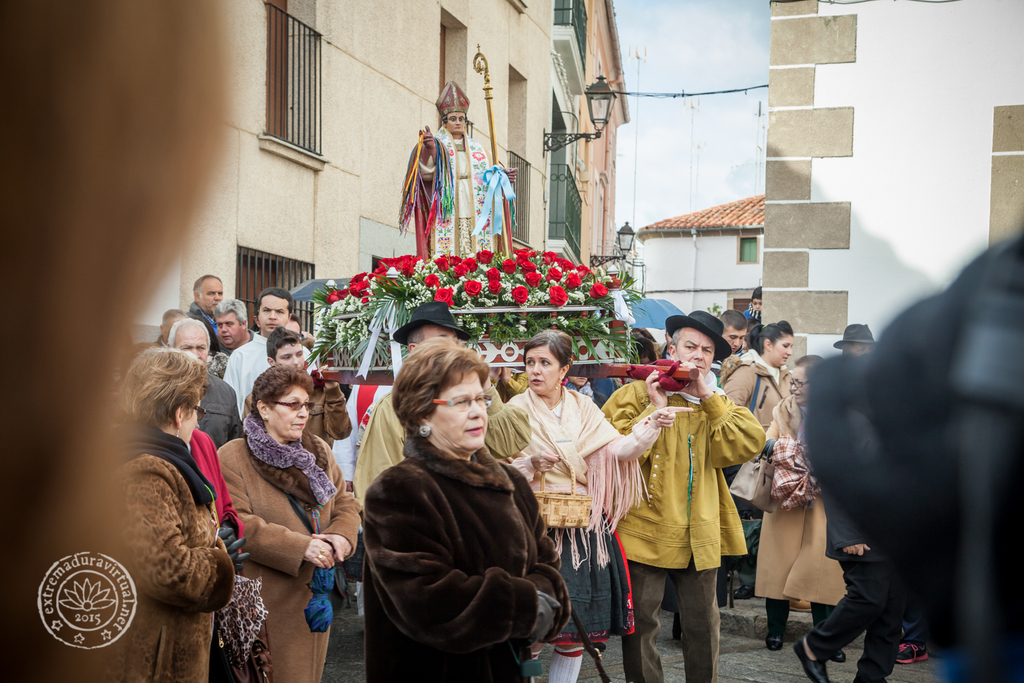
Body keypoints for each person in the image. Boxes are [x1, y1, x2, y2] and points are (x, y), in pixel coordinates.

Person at [361, 338, 570, 682]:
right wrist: (527, 604)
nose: (477, 411)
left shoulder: (510, 482)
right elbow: (429, 604)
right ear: (422, 412)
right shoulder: (400, 489)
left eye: (481, 399)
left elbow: (549, 568)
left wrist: (539, 600)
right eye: (461, 401)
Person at [508, 330, 690, 682]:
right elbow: (495, 465)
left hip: (582, 527)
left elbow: (618, 451)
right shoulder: (514, 410)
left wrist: (653, 420)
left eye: (545, 363)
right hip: (531, 527)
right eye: (530, 362)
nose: (535, 370)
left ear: (564, 369)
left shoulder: (583, 407)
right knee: (530, 628)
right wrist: (530, 465)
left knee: (577, 632)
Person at [602, 311, 766, 683]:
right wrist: (655, 407)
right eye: (690, 346)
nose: (698, 356)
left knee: (704, 625)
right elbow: (612, 449)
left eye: (707, 350)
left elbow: (745, 444)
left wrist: (707, 396)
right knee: (641, 625)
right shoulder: (635, 391)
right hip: (644, 527)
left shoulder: (717, 400)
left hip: (700, 529)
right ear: (671, 348)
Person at [220, 365, 361, 683]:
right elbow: (240, 523)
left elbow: (346, 503)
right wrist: (301, 546)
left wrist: (341, 536)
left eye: (307, 405)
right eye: (292, 405)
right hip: (267, 605)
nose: (303, 414)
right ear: (264, 408)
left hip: (315, 599)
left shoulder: (319, 451)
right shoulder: (233, 456)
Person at [113, 349, 236, 682]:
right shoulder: (148, 470)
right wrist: (221, 563)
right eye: (197, 409)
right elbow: (168, 570)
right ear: (180, 413)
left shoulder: (155, 459)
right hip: (155, 662)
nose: (198, 418)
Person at [352, 301, 531, 501]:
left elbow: (510, 443)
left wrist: (485, 388)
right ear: (415, 349)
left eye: (455, 342)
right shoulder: (394, 407)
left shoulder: (472, 397)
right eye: (442, 341)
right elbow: (377, 483)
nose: (452, 349)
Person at [755, 355, 847, 658]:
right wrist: (786, 450)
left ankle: (826, 638)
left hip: (823, 503)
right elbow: (767, 443)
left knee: (823, 569)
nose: (793, 387)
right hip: (786, 500)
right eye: (791, 381)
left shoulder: (838, 411)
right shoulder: (782, 409)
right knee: (776, 566)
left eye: (800, 382)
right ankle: (775, 631)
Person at [415, 80, 514, 257]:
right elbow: (425, 177)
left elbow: (489, 176)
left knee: (473, 237)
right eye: (453, 119)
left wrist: (503, 177)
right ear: (444, 123)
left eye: (462, 119)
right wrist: (429, 150)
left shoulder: (480, 150)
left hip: (474, 200)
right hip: (450, 201)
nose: (458, 123)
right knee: (455, 241)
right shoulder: (437, 144)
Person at [243, 327, 351, 447]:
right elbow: (251, 441)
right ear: (271, 362)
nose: (296, 362)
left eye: (299, 354)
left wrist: (333, 389)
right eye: (287, 357)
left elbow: (341, 432)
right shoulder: (257, 397)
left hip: (315, 462)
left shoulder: (320, 389)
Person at [223, 286, 300, 418]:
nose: (272, 317)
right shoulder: (240, 356)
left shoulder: (302, 353)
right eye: (267, 310)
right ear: (257, 318)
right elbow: (229, 402)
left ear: (289, 317)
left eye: (279, 311)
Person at [169, 317, 243, 449]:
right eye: (186, 348)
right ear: (170, 349)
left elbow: (234, 445)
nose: (195, 355)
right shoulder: (155, 390)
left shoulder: (226, 393)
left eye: (200, 348)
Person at [723, 321, 795, 430]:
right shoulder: (746, 371)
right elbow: (726, 416)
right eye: (785, 346)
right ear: (768, 345)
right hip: (752, 446)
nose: (790, 352)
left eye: (791, 346)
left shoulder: (786, 375)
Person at [188, 274, 223, 354]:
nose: (217, 298)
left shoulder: (224, 321)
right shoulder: (188, 322)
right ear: (197, 297)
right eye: (211, 293)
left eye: (220, 293)